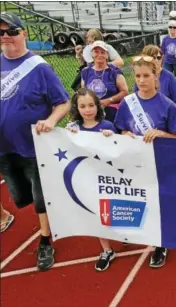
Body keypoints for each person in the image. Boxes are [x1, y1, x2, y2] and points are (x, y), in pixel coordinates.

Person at [0, 12, 71, 270]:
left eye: (11, 31)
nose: (5, 37)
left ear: (23, 33)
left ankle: (44, 239)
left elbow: (63, 102)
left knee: (40, 198)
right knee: (20, 196)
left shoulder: (40, 67)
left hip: (33, 147)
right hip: (4, 147)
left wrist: (52, 120)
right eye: (1, 33)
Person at [115, 55, 176, 268]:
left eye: (146, 75)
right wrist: (125, 134)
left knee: (156, 203)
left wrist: (160, 134)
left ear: (156, 77)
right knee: (136, 198)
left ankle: (159, 243)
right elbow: (122, 128)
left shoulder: (167, 105)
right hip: (134, 162)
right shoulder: (128, 103)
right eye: (137, 76)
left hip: (158, 163)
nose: (142, 80)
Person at [66, 88, 118, 271]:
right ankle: (106, 249)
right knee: (96, 214)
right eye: (82, 106)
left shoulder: (108, 126)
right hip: (87, 180)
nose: (87, 110)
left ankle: (127, 236)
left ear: (97, 106)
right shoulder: (72, 129)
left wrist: (112, 138)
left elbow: (120, 152)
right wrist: (66, 137)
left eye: (91, 105)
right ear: (76, 108)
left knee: (115, 210)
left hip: (109, 179)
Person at [80, 40, 129, 123]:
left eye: (103, 52)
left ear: (107, 55)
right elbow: (83, 92)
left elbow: (124, 92)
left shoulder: (114, 71)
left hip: (112, 112)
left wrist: (108, 100)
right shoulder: (86, 72)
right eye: (96, 52)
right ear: (92, 54)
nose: (100, 55)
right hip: (92, 113)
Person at [137, 45, 176, 118]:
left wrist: (172, 119)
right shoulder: (141, 77)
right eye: (153, 57)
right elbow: (137, 100)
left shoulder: (169, 77)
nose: (156, 60)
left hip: (166, 117)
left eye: (159, 58)